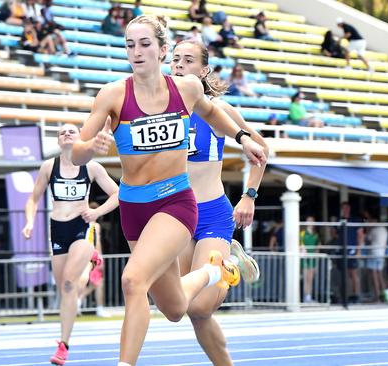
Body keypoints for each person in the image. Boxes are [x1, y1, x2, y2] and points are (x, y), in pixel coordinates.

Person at [70, 15, 266, 366]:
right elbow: (77, 151)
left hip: (181, 203)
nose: (137, 52)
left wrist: (242, 141)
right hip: (135, 206)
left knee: (137, 282)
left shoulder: (188, 93)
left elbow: (216, 113)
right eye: (130, 45)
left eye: (145, 44)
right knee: (176, 308)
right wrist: (90, 147)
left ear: (160, 49)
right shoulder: (113, 94)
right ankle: (215, 270)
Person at [171, 39, 265, 365]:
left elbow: (259, 150)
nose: (179, 66)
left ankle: (232, 264)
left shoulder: (219, 109)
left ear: (204, 69)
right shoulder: (163, 109)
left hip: (212, 212)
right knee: (186, 308)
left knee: (199, 305)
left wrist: (248, 197)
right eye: (175, 60)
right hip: (176, 214)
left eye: (188, 61)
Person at [22, 123, 119, 365]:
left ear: (80, 138)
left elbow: (118, 194)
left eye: (71, 131)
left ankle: (63, 345)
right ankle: (90, 260)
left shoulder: (92, 167)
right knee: (65, 288)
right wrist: (29, 222)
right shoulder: (49, 167)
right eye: (61, 132)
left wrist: (97, 213)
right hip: (58, 230)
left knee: (68, 281)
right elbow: (32, 199)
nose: (66, 134)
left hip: (81, 226)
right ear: (57, 141)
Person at [78, 202, 111, 318]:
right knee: (98, 283)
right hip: (93, 255)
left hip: (83, 254)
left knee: (92, 282)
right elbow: (97, 242)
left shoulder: (82, 225)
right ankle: (98, 308)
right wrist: (100, 256)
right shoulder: (95, 226)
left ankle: (78, 300)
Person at [340, 201, 364, 304]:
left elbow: (361, 235)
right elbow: (334, 233)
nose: (345, 210)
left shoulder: (355, 220)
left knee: (353, 273)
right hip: (342, 250)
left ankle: (357, 295)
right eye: (343, 208)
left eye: (346, 208)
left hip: (353, 250)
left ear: (349, 208)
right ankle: (348, 295)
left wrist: (358, 250)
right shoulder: (340, 220)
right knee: (345, 274)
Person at [365, 213, 387, 302]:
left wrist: (368, 228)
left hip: (374, 253)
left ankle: (377, 296)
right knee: (380, 275)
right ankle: (385, 295)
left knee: (374, 275)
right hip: (382, 253)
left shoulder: (374, 230)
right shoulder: (384, 229)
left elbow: (367, 238)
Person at [300, 216, 319, 303]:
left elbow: (318, 246)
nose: (310, 223)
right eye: (308, 221)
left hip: (313, 259)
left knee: (310, 278)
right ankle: (305, 296)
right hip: (305, 258)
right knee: (306, 277)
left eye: (311, 221)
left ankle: (309, 296)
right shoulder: (302, 233)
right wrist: (302, 248)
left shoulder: (316, 234)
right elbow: (300, 245)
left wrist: (317, 252)